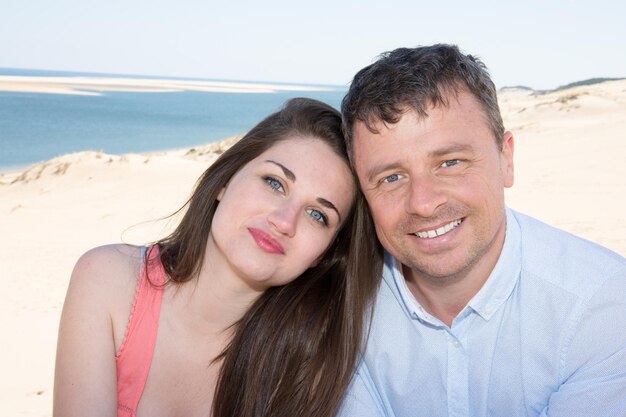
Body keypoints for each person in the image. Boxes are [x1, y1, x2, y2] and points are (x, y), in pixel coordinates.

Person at [338, 44, 626, 416]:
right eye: (392, 177)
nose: (424, 203)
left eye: (450, 162)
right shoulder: (339, 306)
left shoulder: (601, 306)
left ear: (506, 159)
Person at [53, 98, 382, 417]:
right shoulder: (109, 281)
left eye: (317, 214)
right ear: (224, 181)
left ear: (322, 255)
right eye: (274, 182)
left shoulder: (306, 365)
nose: (284, 221)